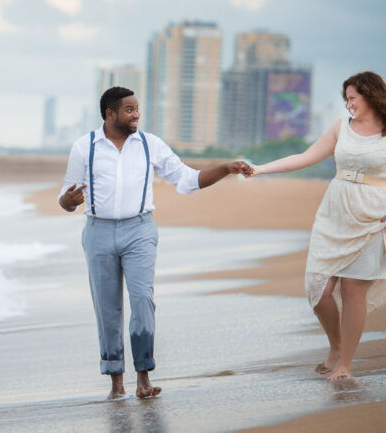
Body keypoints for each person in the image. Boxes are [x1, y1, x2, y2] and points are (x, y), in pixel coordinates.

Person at [59, 86, 252, 399]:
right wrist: (68, 201)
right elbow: (67, 199)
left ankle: (144, 378)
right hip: (97, 232)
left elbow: (187, 179)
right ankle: (116, 383)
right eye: (129, 109)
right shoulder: (85, 147)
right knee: (107, 309)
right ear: (110, 113)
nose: (136, 115)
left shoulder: (151, 145)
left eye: (137, 109)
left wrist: (227, 169)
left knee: (142, 299)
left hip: (140, 230)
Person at [246, 71, 386, 380]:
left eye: (353, 98)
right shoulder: (340, 128)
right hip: (335, 214)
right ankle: (336, 346)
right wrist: (260, 169)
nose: (349, 104)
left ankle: (345, 363)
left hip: (373, 217)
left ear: (370, 96)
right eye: (346, 99)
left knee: (353, 292)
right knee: (317, 290)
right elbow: (305, 157)